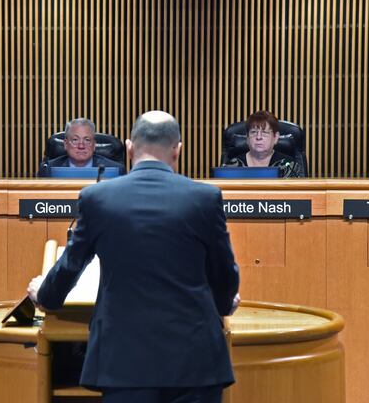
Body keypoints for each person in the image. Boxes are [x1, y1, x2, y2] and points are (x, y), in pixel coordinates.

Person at [28, 111, 240, 403]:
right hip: (194, 360)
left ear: (129, 148)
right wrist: (224, 303)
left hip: (123, 360)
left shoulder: (97, 198)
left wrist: (46, 294)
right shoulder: (205, 198)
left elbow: (72, 264)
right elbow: (224, 271)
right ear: (178, 149)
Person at [224, 110, 303, 178]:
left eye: (265, 133)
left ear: (275, 137)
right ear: (247, 138)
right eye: (253, 132)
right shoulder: (232, 166)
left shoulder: (289, 166)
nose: (258, 137)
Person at [37, 118, 126, 177]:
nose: (81, 146)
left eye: (87, 140)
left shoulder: (116, 170)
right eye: (75, 140)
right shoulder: (47, 169)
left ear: (94, 145)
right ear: (65, 144)